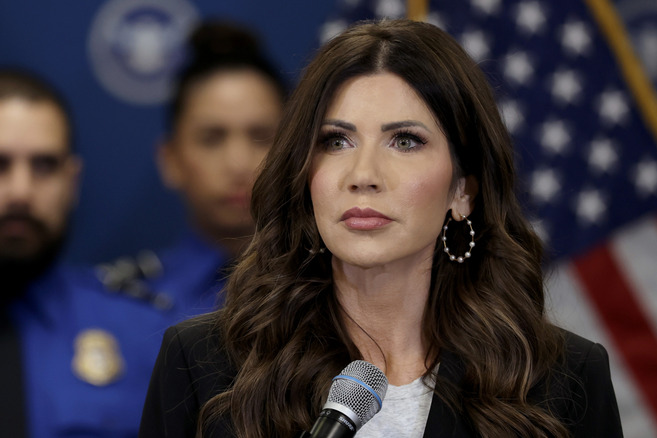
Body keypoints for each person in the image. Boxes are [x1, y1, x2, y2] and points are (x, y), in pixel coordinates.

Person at [140, 19, 623, 437]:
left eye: (405, 141)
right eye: (336, 141)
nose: (363, 174)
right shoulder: (202, 366)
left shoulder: (564, 380)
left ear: (463, 191)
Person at [0, 68, 169, 437]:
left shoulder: (146, 334)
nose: (20, 191)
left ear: (72, 182)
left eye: (43, 166)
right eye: (1, 165)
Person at [97, 21, 287, 322]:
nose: (238, 163)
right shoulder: (120, 301)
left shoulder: (338, 293)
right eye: (212, 138)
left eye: (261, 135)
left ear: (293, 149)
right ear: (171, 160)